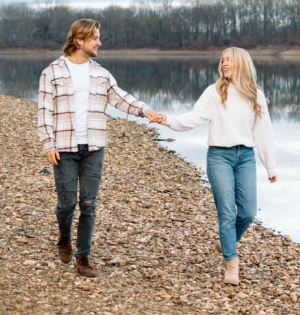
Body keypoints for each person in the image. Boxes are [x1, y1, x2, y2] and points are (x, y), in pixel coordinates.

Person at [36, 18, 165, 277]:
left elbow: (121, 98)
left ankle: (83, 257)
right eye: (95, 37)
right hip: (64, 148)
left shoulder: (101, 74)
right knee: (66, 204)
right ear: (78, 40)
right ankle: (63, 236)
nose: (99, 42)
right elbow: (44, 111)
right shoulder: (52, 72)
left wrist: (146, 110)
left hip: (94, 147)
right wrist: (47, 143)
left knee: (88, 203)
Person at [152, 47, 278, 285]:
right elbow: (191, 119)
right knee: (227, 212)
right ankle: (231, 262)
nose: (224, 63)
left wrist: (271, 166)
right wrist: (166, 119)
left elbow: (264, 132)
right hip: (219, 156)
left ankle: (226, 240)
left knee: (248, 212)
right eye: (222, 60)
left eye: (229, 60)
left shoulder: (256, 95)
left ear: (241, 63)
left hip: (246, 158)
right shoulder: (214, 92)